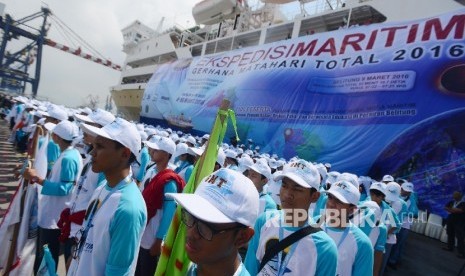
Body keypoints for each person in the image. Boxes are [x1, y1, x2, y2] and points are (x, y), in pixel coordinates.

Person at [68, 118, 147, 275]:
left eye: (100, 147)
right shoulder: (102, 187)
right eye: (93, 145)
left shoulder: (128, 208)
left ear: (124, 153)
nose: (92, 152)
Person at [245, 159, 338, 275]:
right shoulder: (264, 221)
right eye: (284, 186)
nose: (288, 194)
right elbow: (250, 269)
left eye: (297, 189)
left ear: (314, 196)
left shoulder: (324, 248)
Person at [168, 168, 259, 276]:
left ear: (242, 237)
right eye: (190, 217)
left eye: (205, 227)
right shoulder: (178, 267)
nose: (192, 233)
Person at [23, 120, 83, 273]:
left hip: (54, 218)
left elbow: (65, 188)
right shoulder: (70, 154)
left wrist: (38, 179)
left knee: (47, 259)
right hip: (54, 216)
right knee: (47, 259)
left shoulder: (68, 158)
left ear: (57, 137)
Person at [136, 136, 185, 276]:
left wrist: (159, 239)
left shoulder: (169, 180)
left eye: (156, 150)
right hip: (142, 232)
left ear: (166, 154)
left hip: (151, 238)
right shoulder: (151, 170)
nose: (151, 151)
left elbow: (169, 212)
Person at [321, 180, 374, 276]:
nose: (331, 204)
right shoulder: (311, 225)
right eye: (330, 197)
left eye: (339, 201)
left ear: (351, 210)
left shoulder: (362, 243)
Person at [388, 181, 419, 269]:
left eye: (409, 191)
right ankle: (388, 260)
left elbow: (415, 213)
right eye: (406, 190)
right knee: (390, 243)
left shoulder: (412, 199)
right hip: (394, 223)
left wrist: (405, 212)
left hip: (405, 226)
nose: (408, 192)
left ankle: (392, 261)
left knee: (399, 244)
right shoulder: (394, 196)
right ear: (401, 189)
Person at [443, 191, 465, 258]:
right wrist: (453, 210)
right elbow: (445, 207)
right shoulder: (452, 202)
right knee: (450, 233)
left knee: (459, 237)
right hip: (451, 220)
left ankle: (461, 252)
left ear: (459, 197)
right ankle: (450, 247)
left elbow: (460, 210)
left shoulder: (463, 203)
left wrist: (451, 209)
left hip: (459, 222)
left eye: (455, 196)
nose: (454, 197)